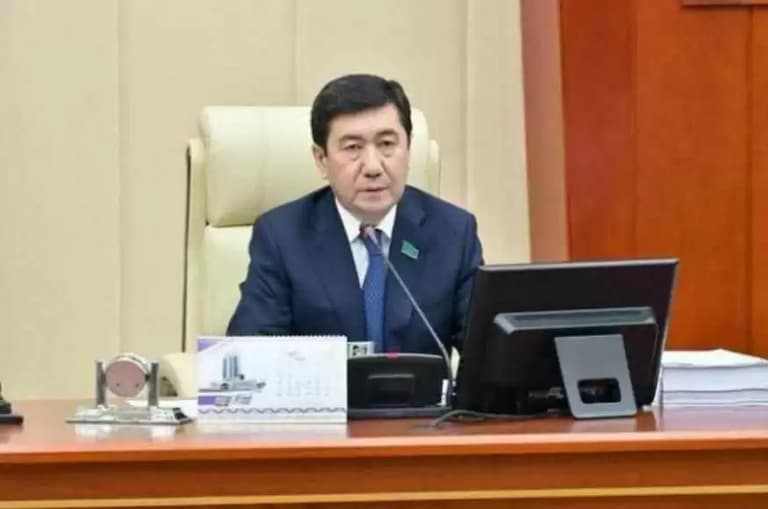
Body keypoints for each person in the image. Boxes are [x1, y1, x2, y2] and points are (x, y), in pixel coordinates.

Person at [227, 74, 483, 355]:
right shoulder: (282, 237)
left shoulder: (453, 233)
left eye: (387, 144)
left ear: (408, 148)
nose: (373, 167)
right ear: (321, 159)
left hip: (423, 387)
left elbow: (487, 354)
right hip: (323, 386)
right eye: (353, 148)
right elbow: (251, 354)